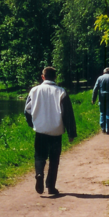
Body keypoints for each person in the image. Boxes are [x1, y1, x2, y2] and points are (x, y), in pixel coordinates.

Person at [24, 67, 77, 196]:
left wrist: (32, 124)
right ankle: (51, 186)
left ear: (43, 77)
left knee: (39, 155)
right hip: (56, 130)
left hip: (40, 130)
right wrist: (71, 133)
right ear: (55, 77)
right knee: (54, 159)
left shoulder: (34, 91)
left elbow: (27, 110)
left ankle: (39, 173)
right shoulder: (61, 92)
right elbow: (68, 114)